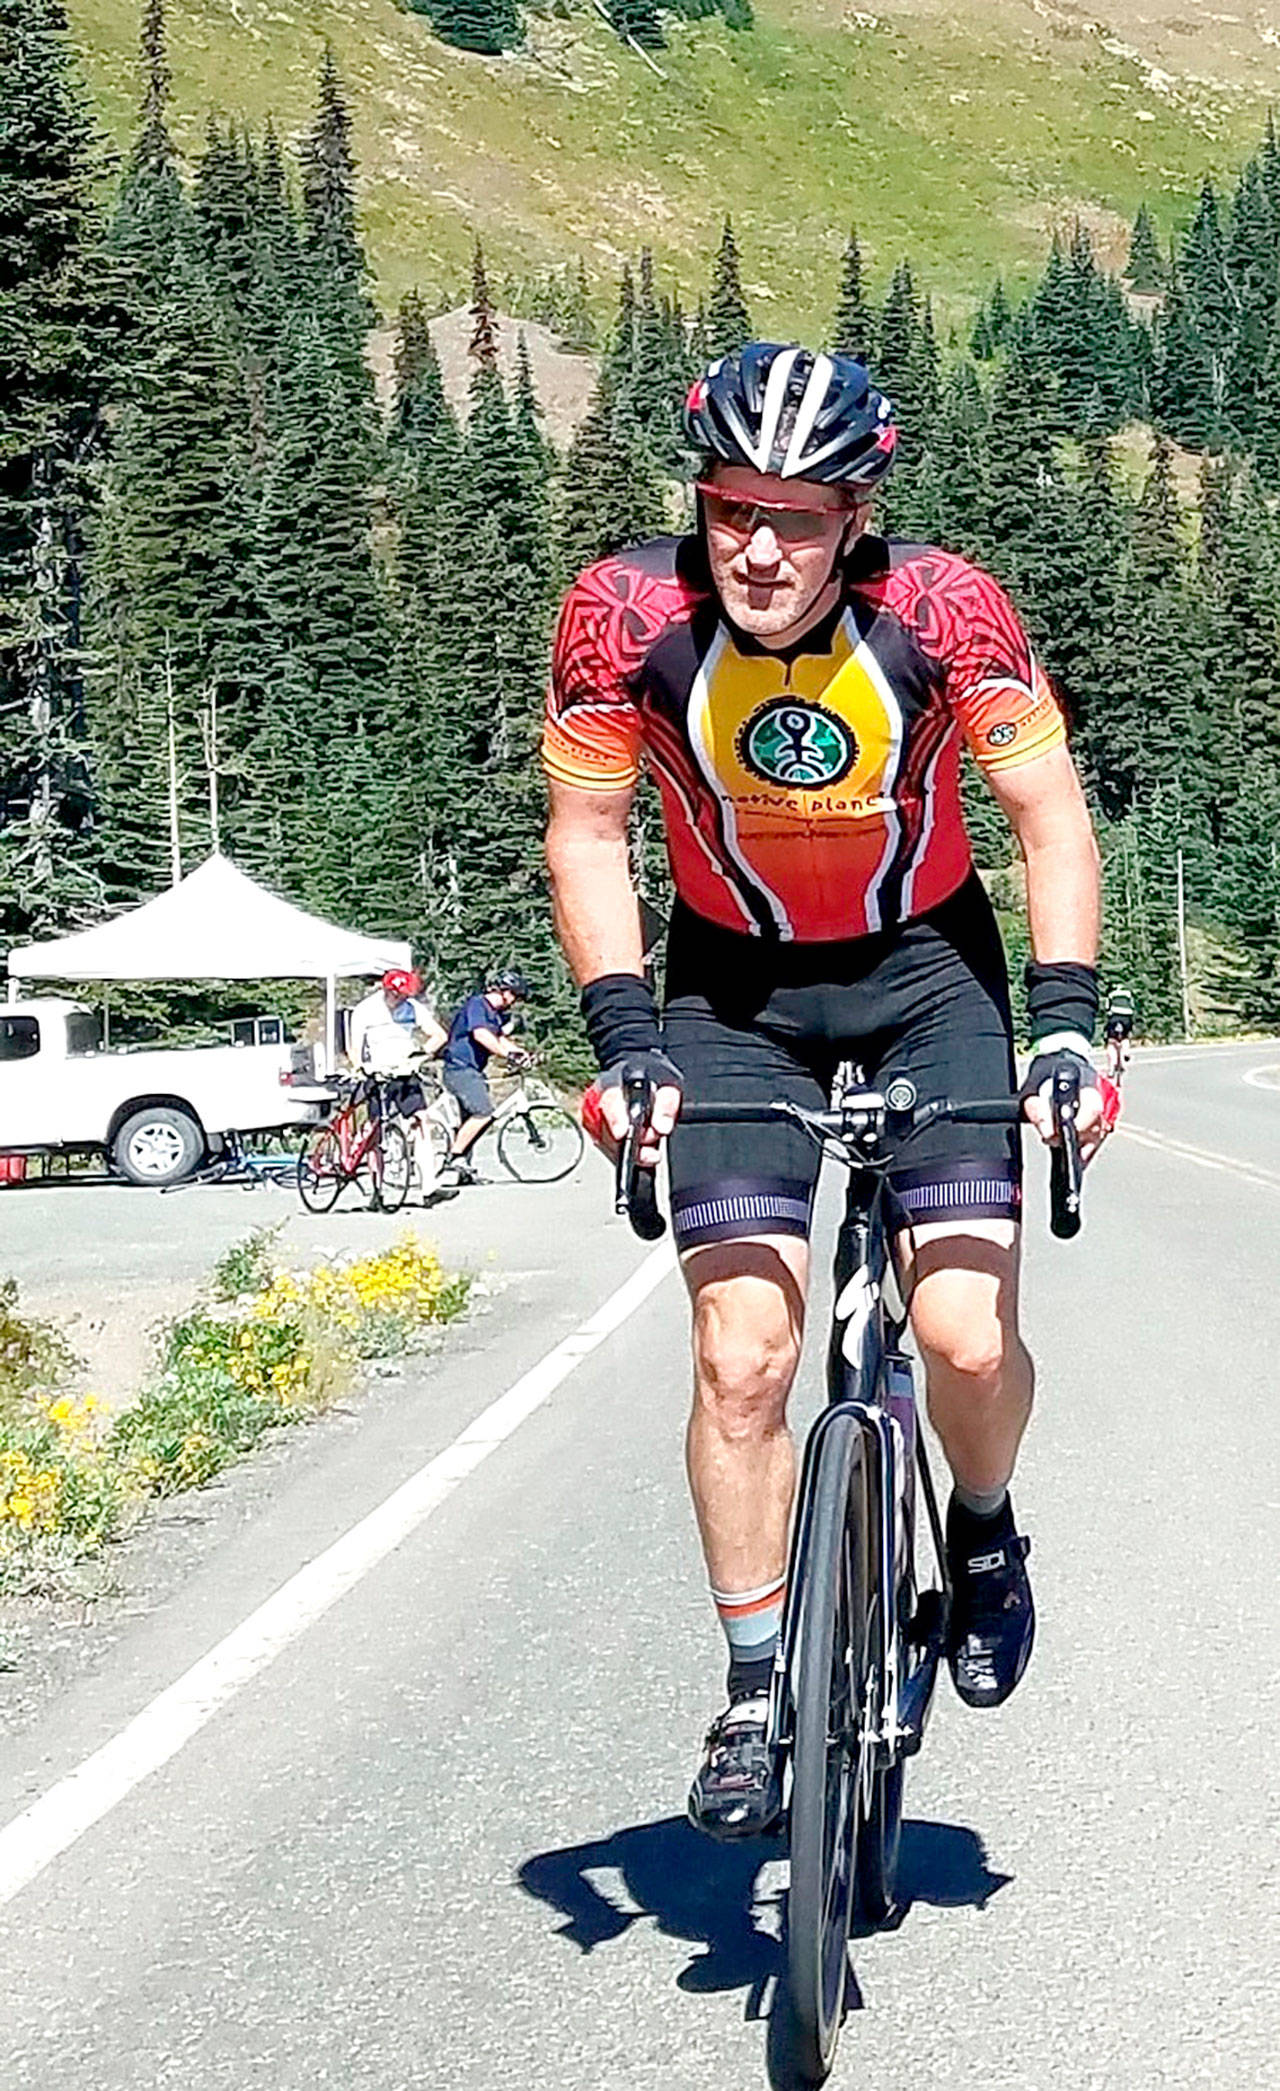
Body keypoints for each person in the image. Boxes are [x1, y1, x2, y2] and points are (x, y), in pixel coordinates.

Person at [544, 342, 1109, 1840]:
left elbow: (1048, 822)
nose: (761, 547)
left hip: (932, 972)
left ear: (858, 515)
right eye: (733, 509)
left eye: (798, 515)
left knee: (965, 1334)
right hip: (731, 991)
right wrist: (622, 1040)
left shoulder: (942, 608)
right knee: (742, 1353)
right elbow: (590, 832)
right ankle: (750, 1687)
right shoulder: (622, 615)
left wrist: (1062, 1026)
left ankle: (982, 1533)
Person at [441, 969, 531, 1184]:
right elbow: (480, 1034)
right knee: (483, 1113)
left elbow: (498, 1038)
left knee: (470, 1120)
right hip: (460, 1068)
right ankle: (453, 1157)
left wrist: (520, 1053)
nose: (515, 1002)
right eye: (515, 996)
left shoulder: (495, 1015)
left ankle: (464, 1171)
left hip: (473, 1070)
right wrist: (507, 1054)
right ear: (505, 992)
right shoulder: (477, 1005)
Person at [346, 969, 446, 1128]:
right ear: (386, 989)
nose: (399, 998)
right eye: (395, 994)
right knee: (377, 1123)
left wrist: (420, 1055)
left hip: (405, 1070)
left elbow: (439, 1035)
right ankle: (374, 1151)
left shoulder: (413, 1008)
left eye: (404, 995)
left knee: (421, 1118)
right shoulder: (365, 1009)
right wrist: (359, 1068)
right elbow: (355, 1048)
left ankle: (422, 1151)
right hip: (378, 1072)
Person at [1103, 986, 1137, 1079]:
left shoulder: (1111, 994)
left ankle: (1111, 1067)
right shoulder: (1128, 994)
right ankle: (1126, 1052)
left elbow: (1107, 1008)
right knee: (1125, 1038)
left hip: (1115, 1017)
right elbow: (1133, 1006)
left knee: (1111, 1041)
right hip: (1126, 1017)